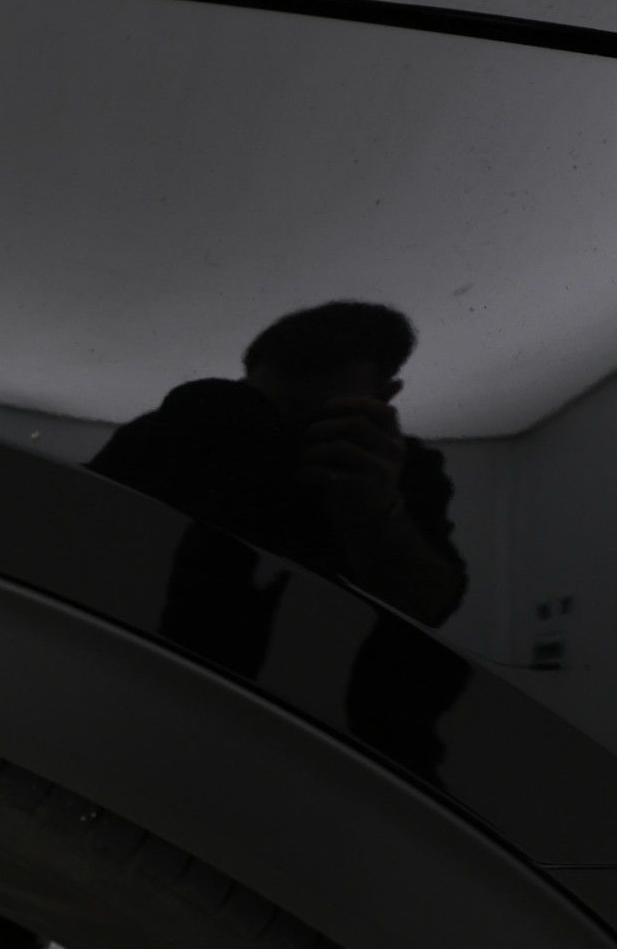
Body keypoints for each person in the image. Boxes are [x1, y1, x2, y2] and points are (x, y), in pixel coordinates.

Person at [89, 301, 471, 781]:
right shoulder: (184, 433)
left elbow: (429, 606)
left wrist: (375, 510)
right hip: (157, 699)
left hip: (345, 740)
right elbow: (77, 540)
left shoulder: (392, 467)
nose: (276, 442)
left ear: (384, 398)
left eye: (315, 422)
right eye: (261, 412)